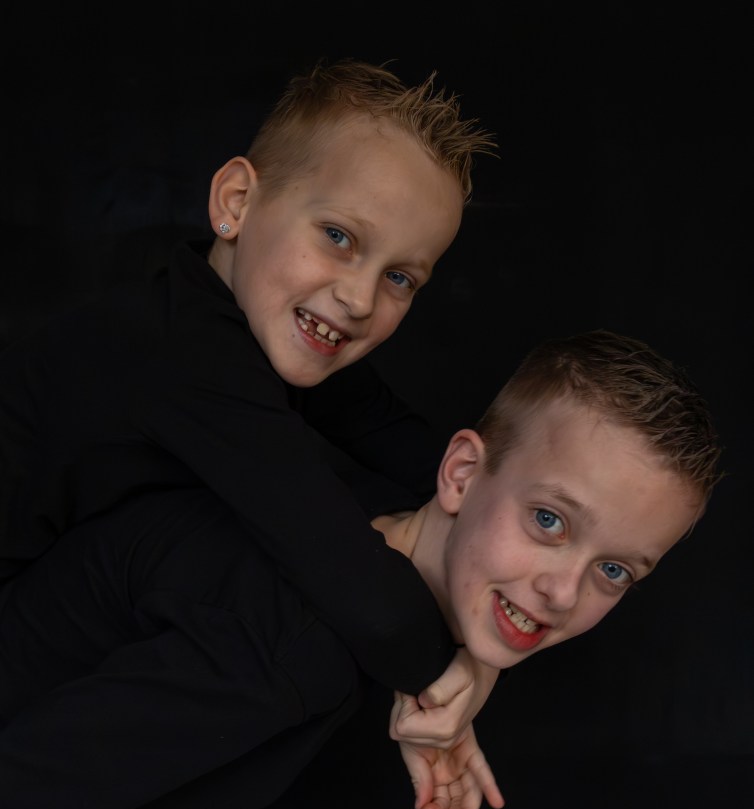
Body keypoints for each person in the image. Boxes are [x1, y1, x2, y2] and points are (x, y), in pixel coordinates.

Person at [0, 330, 722, 809]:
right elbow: (26, 789)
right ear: (460, 474)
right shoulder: (288, 652)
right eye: (549, 521)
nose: (563, 592)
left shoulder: (370, 515)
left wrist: (457, 665)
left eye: (614, 570)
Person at [0, 56, 500, 749]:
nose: (359, 299)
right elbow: (371, 604)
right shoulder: (183, 352)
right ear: (236, 203)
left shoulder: (264, 324)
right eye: (339, 237)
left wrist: (479, 636)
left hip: (74, 638)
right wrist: (470, 665)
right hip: (18, 663)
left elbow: (462, 487)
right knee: (300, 583)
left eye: (400, 278)